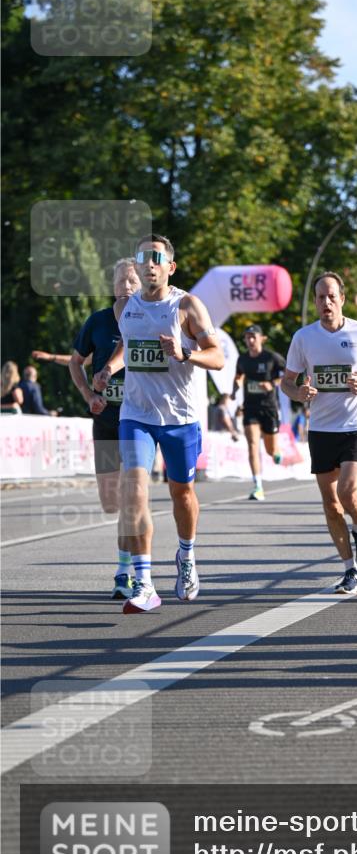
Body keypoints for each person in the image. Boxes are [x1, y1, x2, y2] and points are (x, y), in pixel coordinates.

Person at [94, 233, 223, 613]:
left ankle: (186, 554)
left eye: (156, 257)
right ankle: (145, 583)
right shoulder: (124, 308)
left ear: (170, 267)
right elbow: (127, 346)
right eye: (142, 257)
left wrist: (185, 352)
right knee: (132, 490)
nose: (149, 263)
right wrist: (109, 369)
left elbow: (216, 358)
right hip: (136, 415)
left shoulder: (186, 306)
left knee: (181, 493)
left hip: (180, 418)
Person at [281, 271, 357, 595]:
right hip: (321, 428)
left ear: (342, 299)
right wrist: (298, 392)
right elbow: (288, 381)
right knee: (330, 504)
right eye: (320, 297)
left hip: (356, 426)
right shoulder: (304, 337)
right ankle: (349, 570)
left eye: (331, 296)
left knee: (347, 490)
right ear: (315, 301)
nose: (325, 302)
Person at [69, 258, 142, 599]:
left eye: (132, 280)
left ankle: (125, 570)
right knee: (110, 502)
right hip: (105, 419)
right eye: (121, 280)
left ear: (141, 284)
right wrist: (88, 394)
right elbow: (74, 362)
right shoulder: (97, 322)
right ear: (112, 285)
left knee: (130, 498)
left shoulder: (148, 319)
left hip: (139, 420)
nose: (126, 286)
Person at [232, 324, 286, 501]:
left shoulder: (271, 357)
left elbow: (288, 373)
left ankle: (276, 451)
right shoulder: (242, 359)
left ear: (262, 338)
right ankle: (258, 486)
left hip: (269, 407)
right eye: (248, 337)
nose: (250, 340)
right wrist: (235, 388)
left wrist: (273, 383)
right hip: (251, 407)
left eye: (254, 336)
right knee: (253, 445)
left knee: (270, 450)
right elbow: (239, 376)